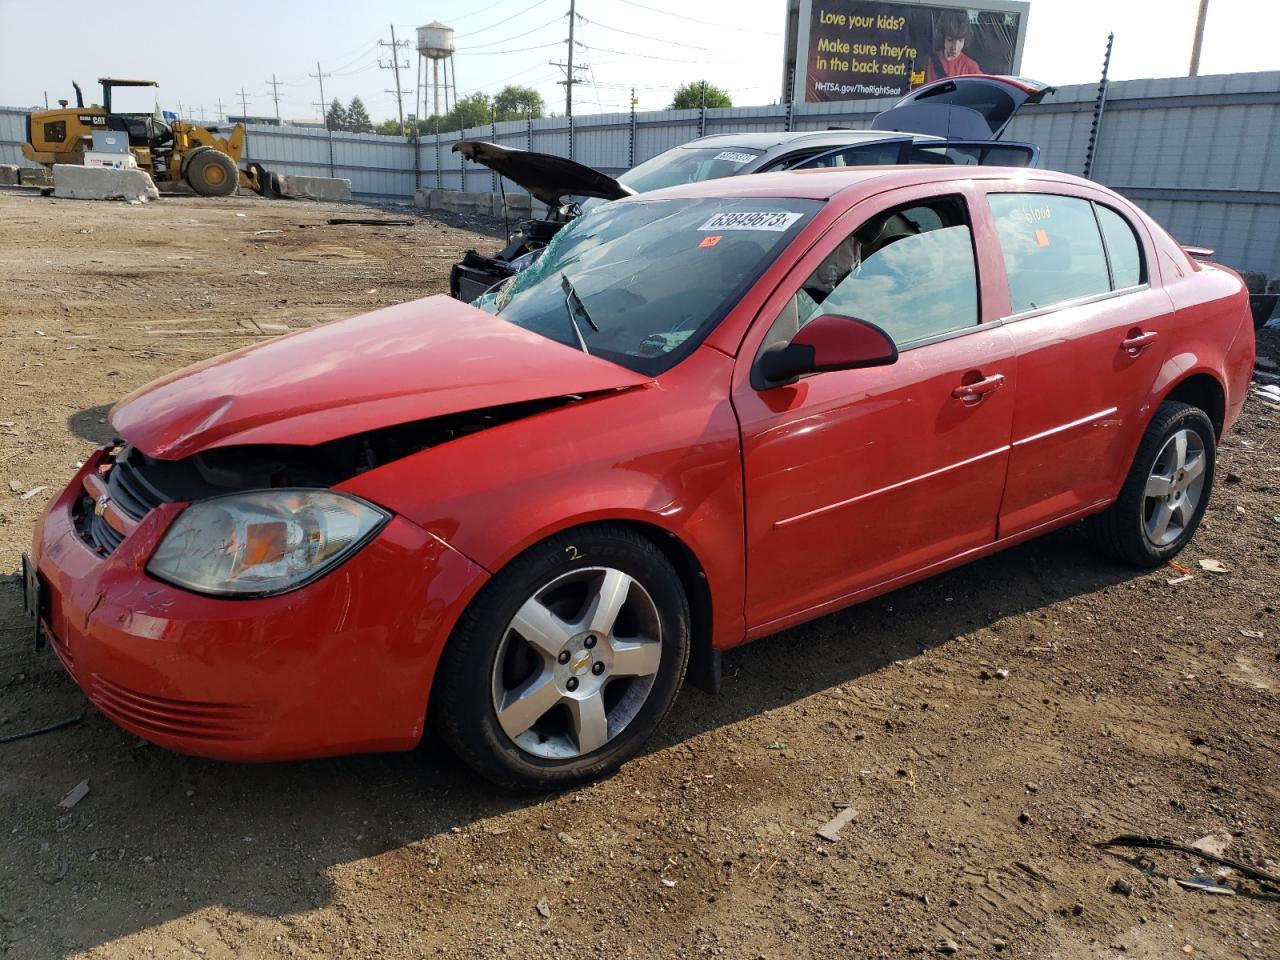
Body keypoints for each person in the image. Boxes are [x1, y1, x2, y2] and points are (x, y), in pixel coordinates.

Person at [925, 10, 982, 82]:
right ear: (943, 38)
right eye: (950, 40)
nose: (955, 47)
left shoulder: (971, 68)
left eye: (960, 41)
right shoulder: (930, 61)